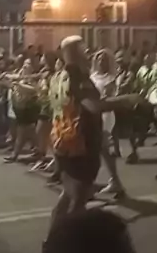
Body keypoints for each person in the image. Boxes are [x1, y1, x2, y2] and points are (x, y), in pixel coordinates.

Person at [48, 36, 141, 234]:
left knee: (67, 194)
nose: (88, 53)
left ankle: (52, 237)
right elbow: (93, 106)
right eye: (84, 49)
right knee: (79, 198)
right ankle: (67, 240)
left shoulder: (58, 76)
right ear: (78, 52)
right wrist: (126, 100)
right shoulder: (78, 78)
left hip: (62, 141)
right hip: (81, 143)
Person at [90, 49, 126, 198]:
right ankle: (114, 181)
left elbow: (106, 96)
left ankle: (114, 181)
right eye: (99, 58)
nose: (101, 61)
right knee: (100, 150)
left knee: (102, 148)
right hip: (93, 114)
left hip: (105, 115)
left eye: (104, 59)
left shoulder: (110, 78)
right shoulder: (92, 76)